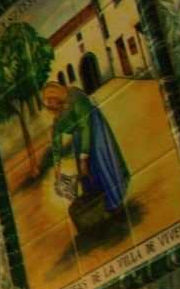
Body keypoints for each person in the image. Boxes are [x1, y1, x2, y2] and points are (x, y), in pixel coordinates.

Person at [42, 80, 129, 215]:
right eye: (49, 103)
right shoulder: (58, 118)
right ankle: (102, 206)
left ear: (57, 94)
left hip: (94, 129)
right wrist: (57, 167)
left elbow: (85, 126)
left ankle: (116, 203)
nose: (52, 104)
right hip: (80, 137)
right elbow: (56, 143)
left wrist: (83, 158)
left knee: (101, 163)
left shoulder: (76, 96)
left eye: (52, 100)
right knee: (87, 174)